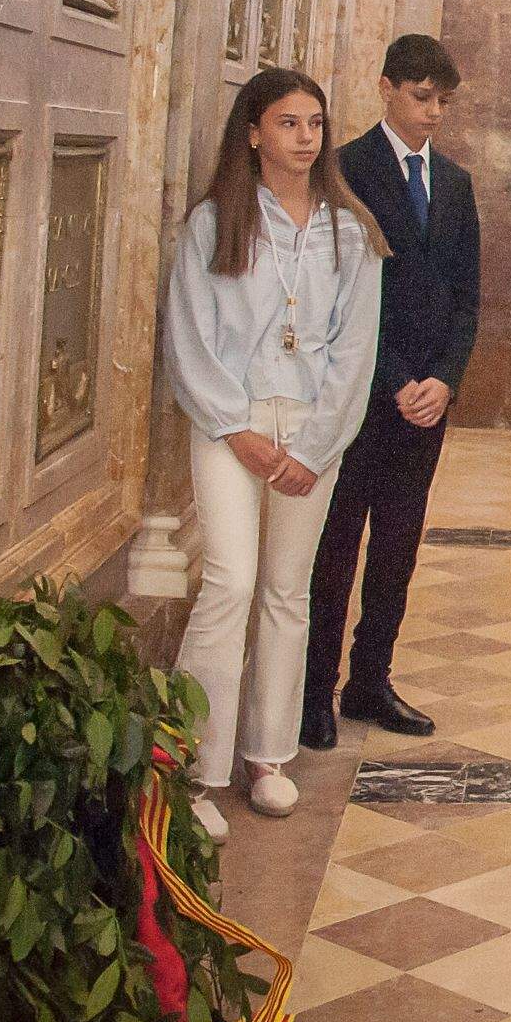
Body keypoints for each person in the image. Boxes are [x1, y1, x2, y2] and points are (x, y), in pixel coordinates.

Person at [162, 69, 385, 840]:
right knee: (229, 580)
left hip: (311, 431)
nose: (304, 137)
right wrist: (237, 428)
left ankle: (266, 758)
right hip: (230, 422)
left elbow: (355, 352)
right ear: (253, 132)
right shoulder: (213, 223)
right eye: (288, 123)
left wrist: (316, 446)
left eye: (315, 124)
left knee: (288, 592)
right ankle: (196, 766)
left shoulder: (348, 231)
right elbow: (189, 338)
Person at [300, 35, 480, 750]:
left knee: (398, 548)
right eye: (420, 96)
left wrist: (445, 380)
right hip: (362, 394)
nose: (433, 113)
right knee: (336, 547)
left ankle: (369, 681)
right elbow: (339, 297)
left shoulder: (457, 184)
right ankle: (314, 693)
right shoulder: (345, 167)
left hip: (425, 400)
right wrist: (398, 378)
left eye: (443, 100)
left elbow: (468, 297)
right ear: (385, 88)